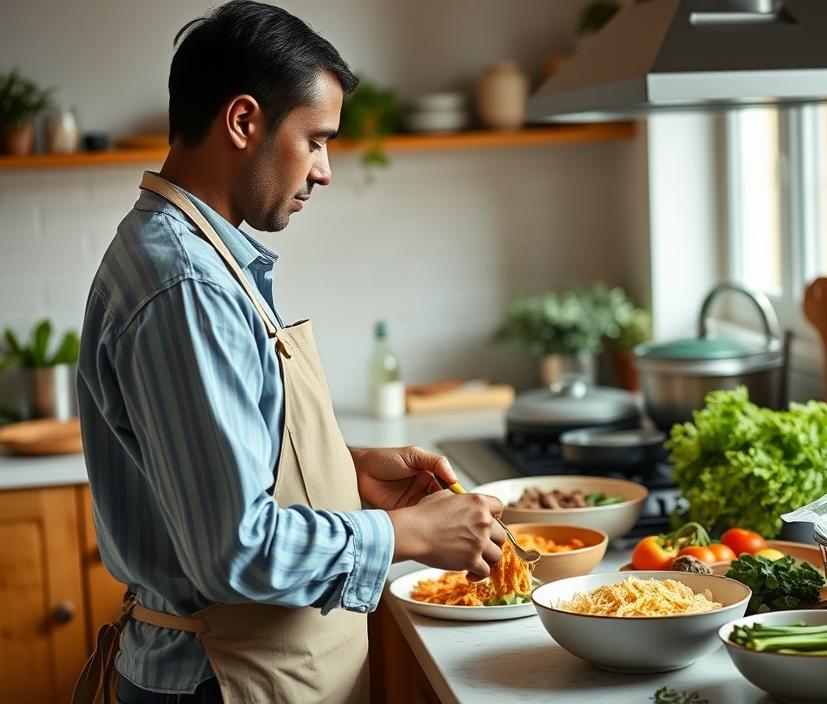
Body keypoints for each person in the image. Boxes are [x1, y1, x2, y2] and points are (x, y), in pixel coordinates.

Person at [73, 3, 505, 703]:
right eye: (316, 140)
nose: (325, 171)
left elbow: (221, 470)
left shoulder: (195, 256)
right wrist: (405, 533)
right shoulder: (185, 285)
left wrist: (347, 468)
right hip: (216, 682)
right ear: (244, 122)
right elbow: (234, 549)